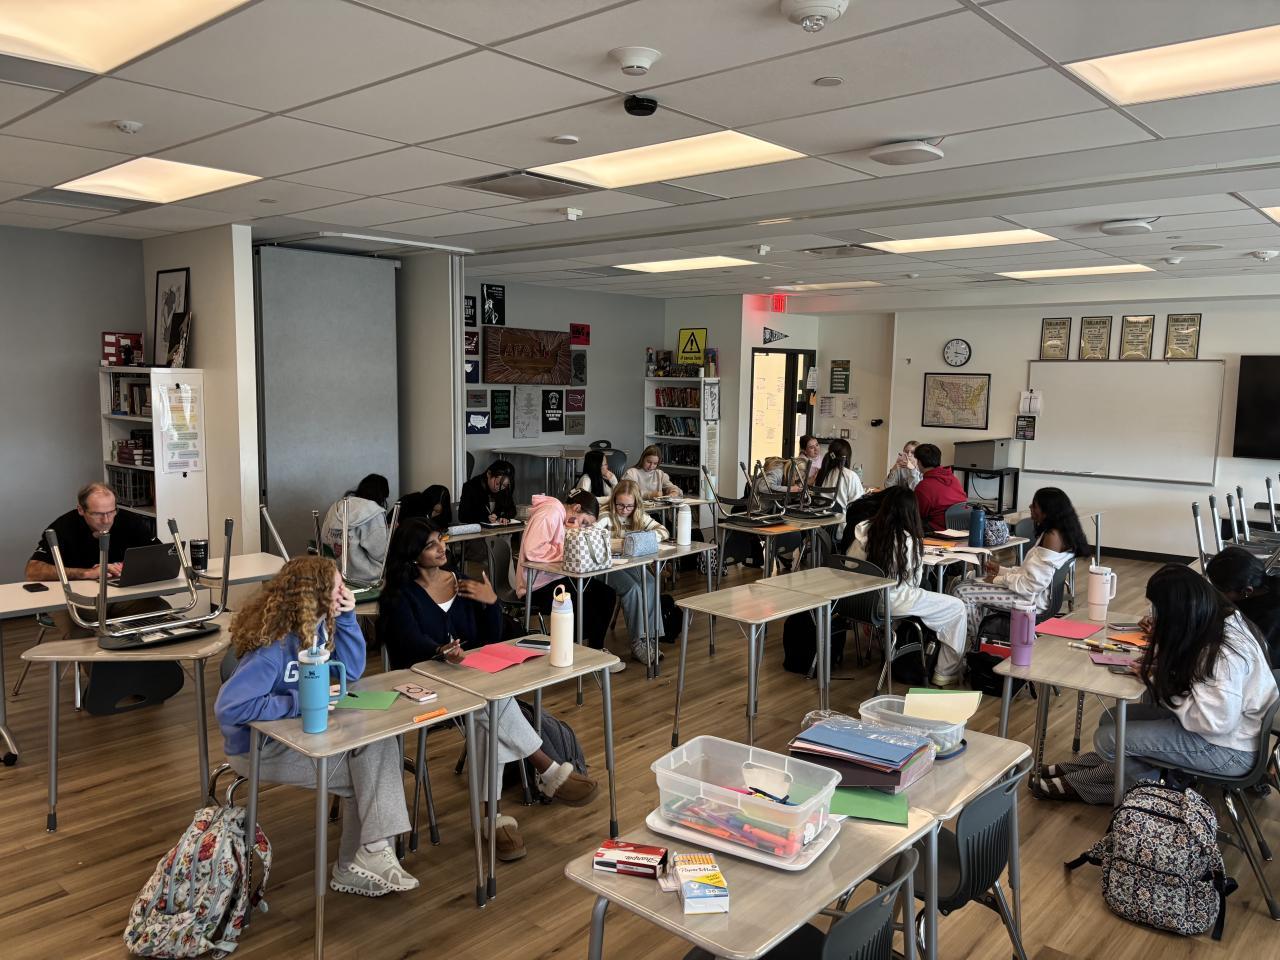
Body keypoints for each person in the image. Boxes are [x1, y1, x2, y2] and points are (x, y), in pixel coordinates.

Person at [379, 519, 598, 860]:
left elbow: (491, 638)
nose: (441, 548)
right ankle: (547, 770)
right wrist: (440, 651)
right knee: (491, 706)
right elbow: (407, 644)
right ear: (412, 555)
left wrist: (492, 602)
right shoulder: (400, 596)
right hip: (425, 685)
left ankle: (494, 819)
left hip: (473, 680)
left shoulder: (463, 584)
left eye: (441, 540)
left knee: (488, 710)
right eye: (431, 545)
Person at [214, 557, 419, 896]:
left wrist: (348, 618)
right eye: (338, 587)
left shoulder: (319, 628)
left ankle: (372, 850)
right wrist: (300, 702)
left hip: (303, 732)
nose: (345, 592)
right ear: (315, 595)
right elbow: (230, 707)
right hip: (259, 749)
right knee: (364, 778)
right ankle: (357, 861)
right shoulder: (274, 647)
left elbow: (350, 673)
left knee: (379, 742)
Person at [1037, 565, 1278, 802]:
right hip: (1226, 732)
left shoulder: (1222, 653)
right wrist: (1164, 664)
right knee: (1111, 719)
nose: (1158, 617)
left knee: (1109, 739)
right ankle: (1107, 779)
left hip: (1228, 749)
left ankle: (1140, 797)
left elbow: (1214, 722)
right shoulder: (1221, 619)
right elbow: (1204, 686)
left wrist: (1161, 682)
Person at [846, 487, 969, 687]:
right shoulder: (908, 541)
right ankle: (945, 672)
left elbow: (850, 566)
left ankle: (900, 642)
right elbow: (914, 581)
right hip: (893, 602)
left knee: (922, 599)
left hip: (860, 601)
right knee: (957, 607)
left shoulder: (864, 530)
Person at [26, 481, 164, 638]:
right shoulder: (62, 528)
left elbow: (159, 554)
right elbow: (33, 571)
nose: (106, 520)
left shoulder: (130, 521)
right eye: (97, 514)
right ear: (81, 510)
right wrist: (87, 573)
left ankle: (136, 653)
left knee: (160, 611)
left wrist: (129, 567)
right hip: (73, 599)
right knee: (81, 635)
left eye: (111, 512)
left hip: (120, 595)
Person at [951, 487, 1089, 639]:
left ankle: (977, 641)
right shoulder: (1061, 532)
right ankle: (982, 636)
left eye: (1034, 505)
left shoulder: (1052, 537)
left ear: (1047, 511)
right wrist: (1000, 570)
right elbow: (1030, 573)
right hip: (1033, 594)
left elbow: (1032, 584)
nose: (1030, 507)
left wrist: (998, 579)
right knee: (963, 581)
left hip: (1031, 600)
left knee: (962, 592)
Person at [515, 490, 621, 671]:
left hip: (555, 578)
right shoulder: (550, 512)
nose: (583, 527)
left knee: (606, 594)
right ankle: (574, 651)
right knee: (585, 605)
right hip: (536, 586)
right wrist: (570, 550)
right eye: (584, 522)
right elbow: (533, 550)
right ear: (576, 508)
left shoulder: (560, 516)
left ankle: (595, 651)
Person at [596, 480, 668, 664]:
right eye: (620, 505)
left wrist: (640, 540)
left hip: (628, 564)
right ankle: (637, 642)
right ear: (613, 501)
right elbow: (592, 538)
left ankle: (649, 638)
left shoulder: (638, 515)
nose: (624, 510)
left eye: (629, 506)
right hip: (606, 567)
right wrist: (626, 543)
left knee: (651, 584)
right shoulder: (605, 516)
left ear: (636, 504)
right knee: (633, 589)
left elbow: (663, 531)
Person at [1206, 546, 1280, 664]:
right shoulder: (1265, 584)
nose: (1217, 593)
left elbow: (1256, 656)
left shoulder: (1269, 618)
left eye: (1221, 589)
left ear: (1247, 590)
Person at [321, 473, 391, 584]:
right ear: (383, 496)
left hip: (335, 575)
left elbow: (324, 539)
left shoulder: (336, 507)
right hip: (366, 579)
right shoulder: (374, 513)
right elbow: (381, 553)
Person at [814, 438, 865, 540]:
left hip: (821, 528)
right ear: (847, 456)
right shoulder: (850, 475)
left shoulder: (822, 473)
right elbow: (858, 506)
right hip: (841, 530)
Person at [911, 443, 966, 531]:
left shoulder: (924, 486)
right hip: (962, 527)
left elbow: (917, 514)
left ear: (919, 462)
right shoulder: (953, 479)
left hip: (939, 529)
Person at [459, 460, 517, 525]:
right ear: (489, 474)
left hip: (499, 529)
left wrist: (505, 517)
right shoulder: (471, 487)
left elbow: (512, 510)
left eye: (504, 485)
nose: (498, 488)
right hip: (479, 529)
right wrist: (485, 517)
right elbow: (463, 516)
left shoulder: (505, 488)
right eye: (497, 483)